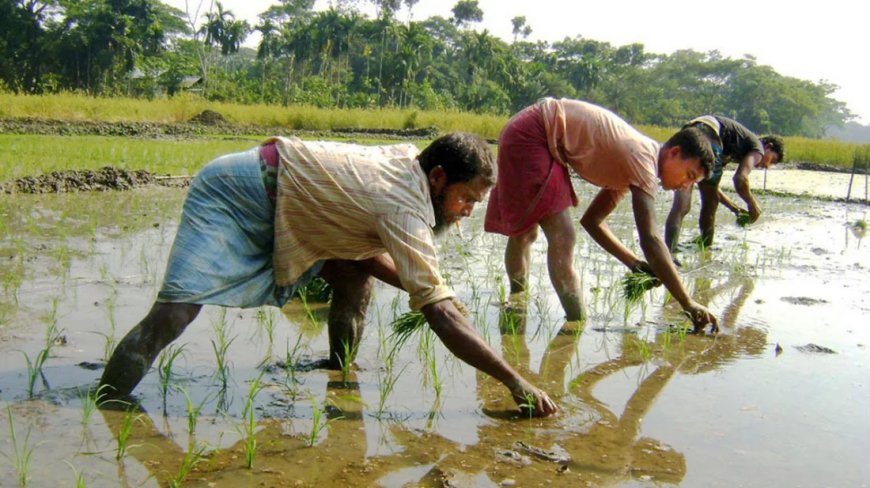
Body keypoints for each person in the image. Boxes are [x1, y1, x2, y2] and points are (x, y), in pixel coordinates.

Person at [99, 132, 558, 416]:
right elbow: (438, 315)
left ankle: (340, 369)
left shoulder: (408, 168)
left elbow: (373, 263)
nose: (466, 212)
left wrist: (432, 291)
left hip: (290, 199)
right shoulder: (403, 204)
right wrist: (513, 380)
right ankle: (108, 401)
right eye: (466, 199)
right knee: (178, 309)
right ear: (438, 178)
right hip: (234, 192)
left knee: (354, 274)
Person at [484, 98, 718, 331]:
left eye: (692, 182)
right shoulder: (643, 160)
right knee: (562, 236)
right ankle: (574, 321)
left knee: (525, 232)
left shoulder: (634, 166)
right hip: (534, 133)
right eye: (689, 175)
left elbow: (593, 221)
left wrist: (634, 263)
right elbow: (651, 239)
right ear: (674, 153)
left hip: (535, 132)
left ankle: (518, 301)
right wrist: (687, 302)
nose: (686, 186)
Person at [664, 115, 785, 251]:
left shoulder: (733, 148)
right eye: (772, 160)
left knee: (682, 205)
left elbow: (711, 186)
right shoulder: (758, 149)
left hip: (691, 130)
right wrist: (752, 204)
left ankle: (669, 250)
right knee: (710, 202)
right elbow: (740, 179)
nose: (767, 166)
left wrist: (734, 208)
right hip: (709, 132)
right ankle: (706, 245)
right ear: (768, 147)